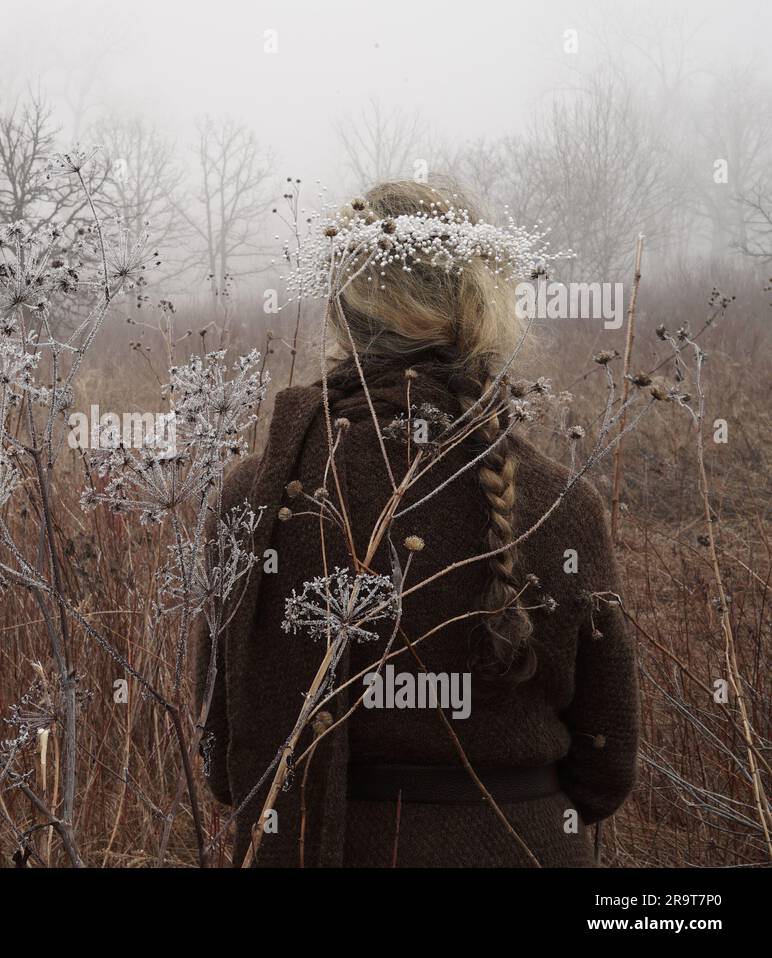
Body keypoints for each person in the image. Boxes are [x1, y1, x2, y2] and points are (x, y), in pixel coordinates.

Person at [196, 180, 640, 867]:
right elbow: (606, 765)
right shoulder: (561, 505)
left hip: (328, 849)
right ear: (479, 305)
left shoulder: (255, 500)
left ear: (345, 309)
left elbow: (227, 754)